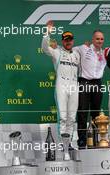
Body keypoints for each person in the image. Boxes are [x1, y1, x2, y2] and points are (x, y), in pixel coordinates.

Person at [41, 21, 80, 160]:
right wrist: (47, 32)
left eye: (70, 40)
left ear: (73, 41)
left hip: (74, 86)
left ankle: (69, 144)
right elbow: (45, 48)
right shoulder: (56, 51)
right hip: (61, 84)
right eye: (66, 40)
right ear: (63, 41)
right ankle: (63, 148)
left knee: (71, 117)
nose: (68, 42)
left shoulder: (77, 54)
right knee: (62, 117)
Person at [76, 30, 106, 149]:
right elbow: (68, 49)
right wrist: (55, 46)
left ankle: (94, 139)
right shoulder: (84, 48)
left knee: (96, 113)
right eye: (97, 38)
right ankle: (82, 140)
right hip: (84, 81)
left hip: (97, 83)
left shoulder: (104, 52)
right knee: (82, 112)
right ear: (93, 39)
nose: (99, 41)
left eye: (101, 39)